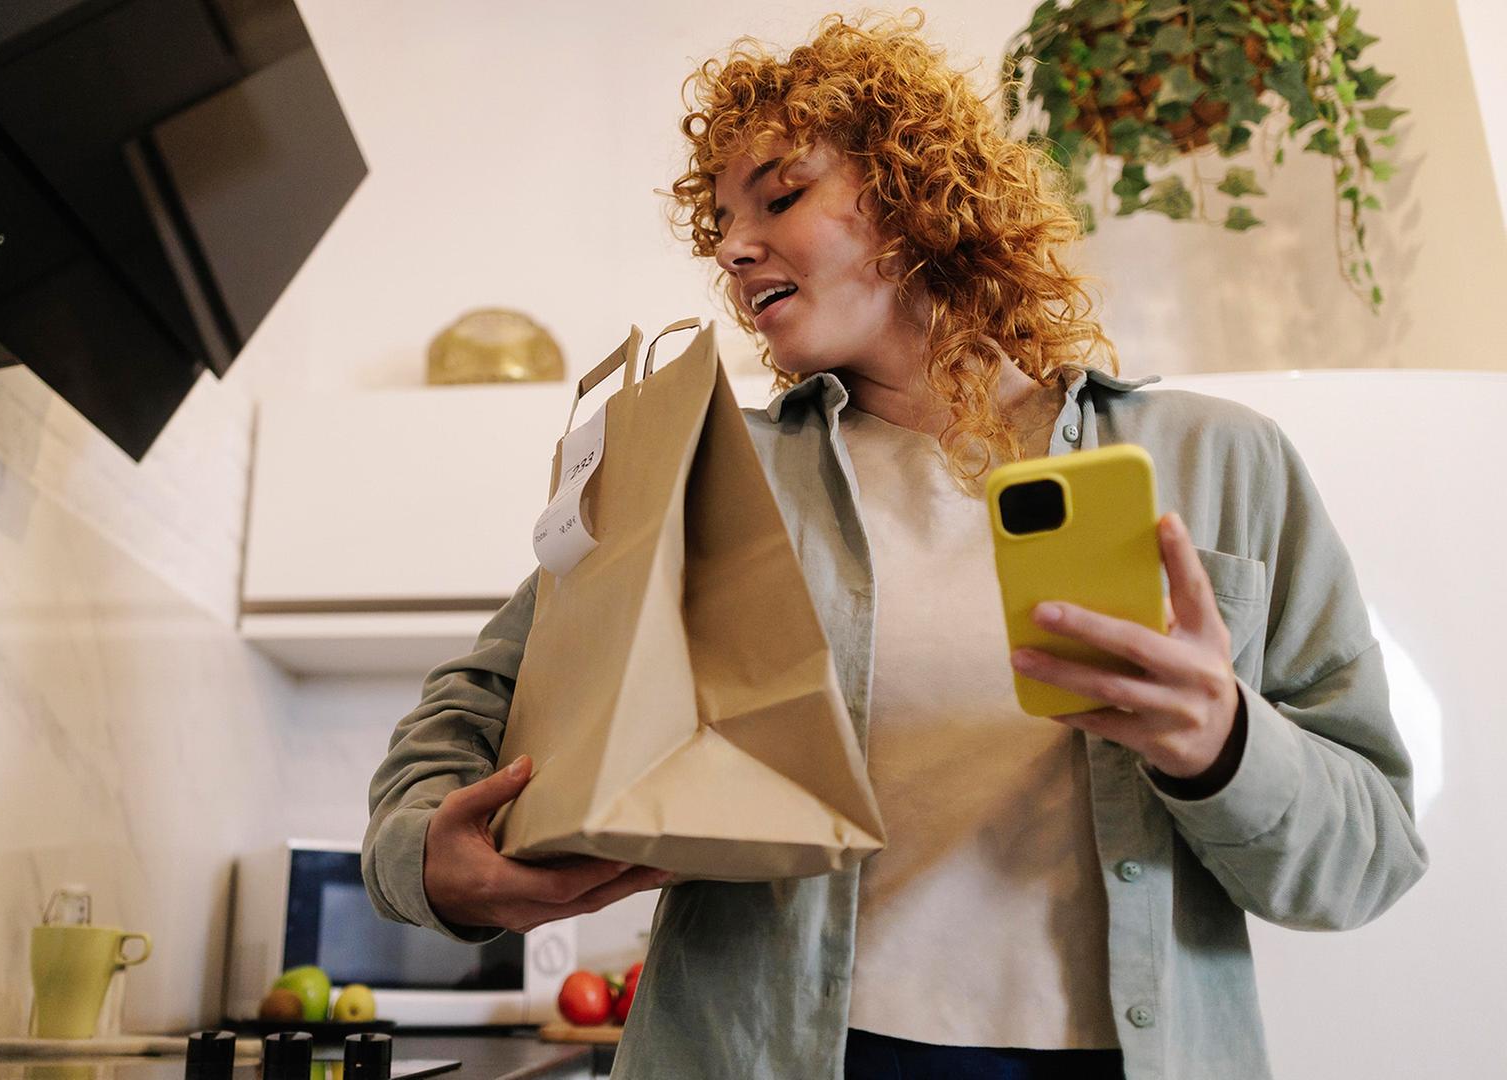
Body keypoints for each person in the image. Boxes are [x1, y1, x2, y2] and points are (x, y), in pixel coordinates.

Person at [362, 11, 1427, 1079]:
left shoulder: (1221, 462)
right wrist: (427, 865)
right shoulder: (703, 474)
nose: (734, 250)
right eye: (720, 227)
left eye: (781, 197)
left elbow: (1370, 854)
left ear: (920, 193)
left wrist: (1227, 744)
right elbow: (472, 704)